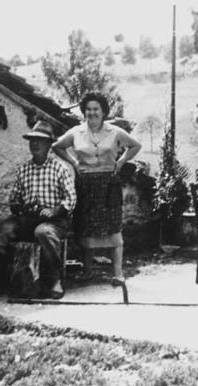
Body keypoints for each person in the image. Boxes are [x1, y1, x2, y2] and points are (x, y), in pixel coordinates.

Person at [52, 92, 142, 284]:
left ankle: (118, 273)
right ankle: (88, 271)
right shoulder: (76, 132)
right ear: (84, 112)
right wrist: (75, 162)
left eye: (96, 109)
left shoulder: (114, 131)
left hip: (109, 183)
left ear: (103, 112)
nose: (92, 113)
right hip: (85, 183)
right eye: (88, 109)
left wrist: (122, 161)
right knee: (86, 227)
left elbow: (135, 145)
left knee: (113, 226)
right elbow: (57, 146)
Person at [0, 121, 77, 299]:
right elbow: (15, 198)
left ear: (49, 145)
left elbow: (71, 199)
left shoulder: (60, 168)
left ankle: (54, 280)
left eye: (40, 141)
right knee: (2, 231)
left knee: (43, 232)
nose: (35, 144)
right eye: (32, 141)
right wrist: (17, 205)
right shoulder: (24, 170)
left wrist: (54, 210)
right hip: (28, 219)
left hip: (55, 220)